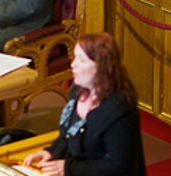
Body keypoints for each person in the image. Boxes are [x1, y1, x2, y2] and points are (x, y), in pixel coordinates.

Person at [23, 33, 145, 176]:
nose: (73, 64)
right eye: (75, 57)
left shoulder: (119, 110)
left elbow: (117, 165)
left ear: (102, 66)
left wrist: (69, 168)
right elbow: (68, 136)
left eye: (81, 60)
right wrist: (49, 152)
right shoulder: (77, 92)